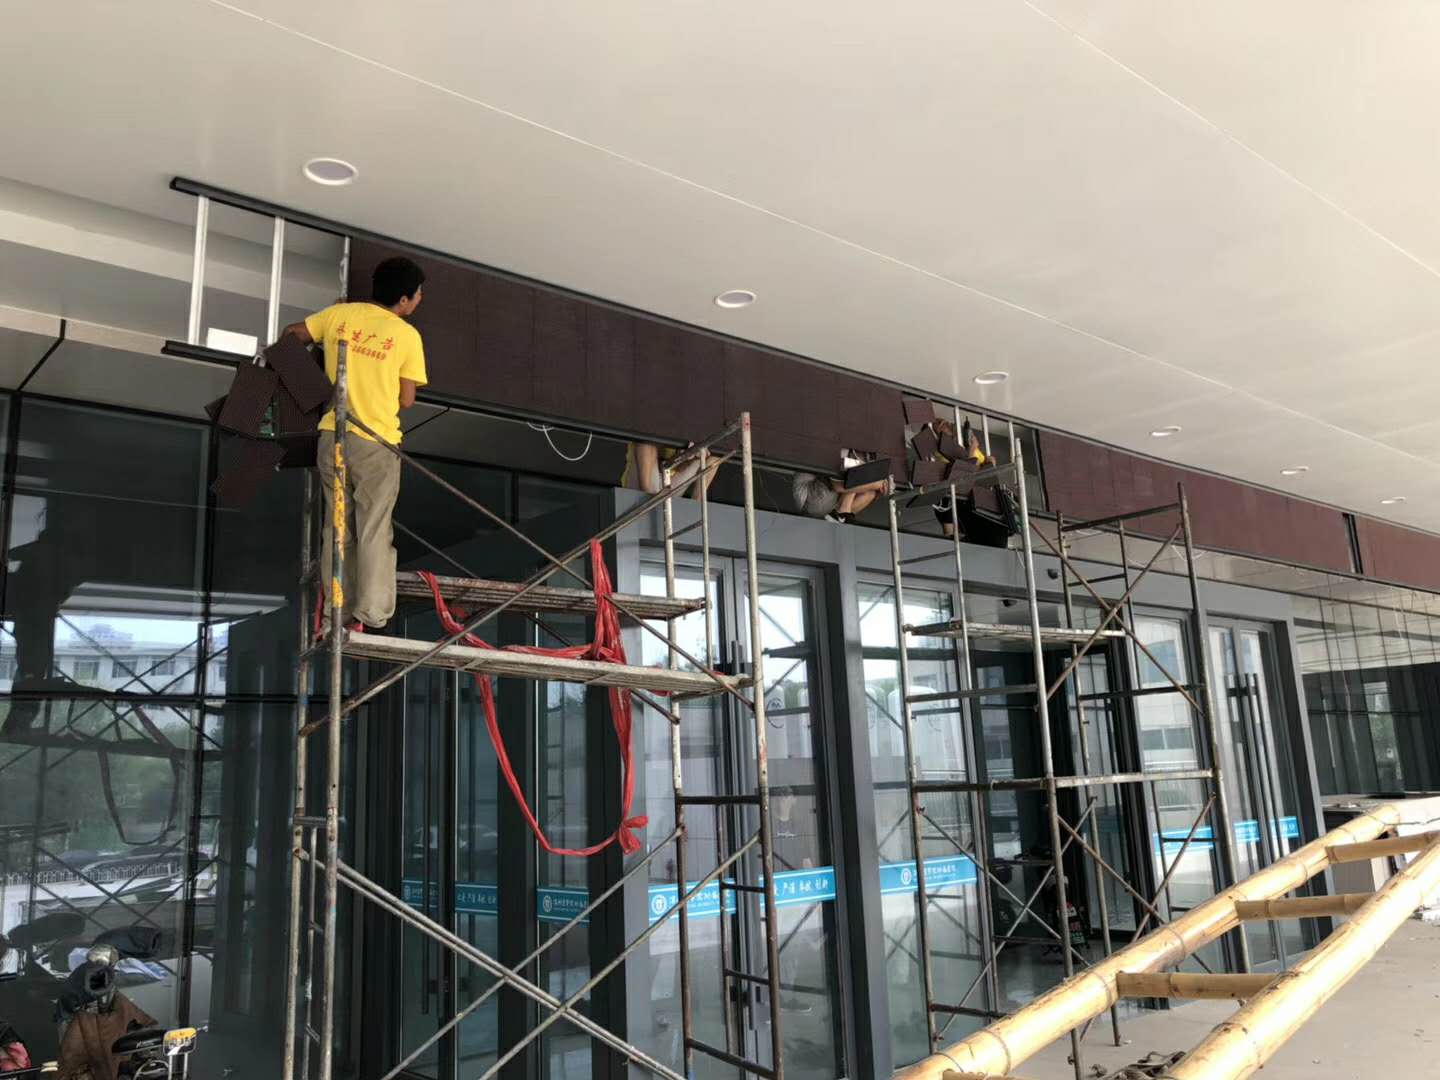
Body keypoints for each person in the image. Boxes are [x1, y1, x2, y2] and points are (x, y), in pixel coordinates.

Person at [284, 256, 428, 633]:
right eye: (417, 294)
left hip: (333, 437)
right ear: (403, 299)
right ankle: (371, 612)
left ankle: (336, 611)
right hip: (376, 442)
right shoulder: (406, 335)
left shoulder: (340, 315)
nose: (419, 300)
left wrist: (312, 387)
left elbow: (292, 334)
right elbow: (407, 399)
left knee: (337, 527)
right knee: (374, 528)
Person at [791, 471, 887, 523]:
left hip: (820, 502)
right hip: (809, 495)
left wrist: (879, 489)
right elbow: (837, 485)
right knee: (859, 474)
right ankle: (843, 510)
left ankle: (840, 513)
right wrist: (879, 486)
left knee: (871, 491)